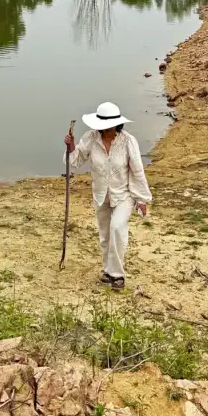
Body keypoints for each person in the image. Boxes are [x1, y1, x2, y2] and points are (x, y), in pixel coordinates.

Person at [63, 101, 152, 291]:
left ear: (116, 123)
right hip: (101, 194)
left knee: (117, 228)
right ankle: (107, 271)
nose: (104, 128)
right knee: (105, 235)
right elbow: (76, 161)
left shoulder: (128, 141)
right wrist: (71, 147)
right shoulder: (91, 138)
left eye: (108, 124)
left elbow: (137, 171)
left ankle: (117, 275)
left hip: (124, 195)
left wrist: (141, 199)